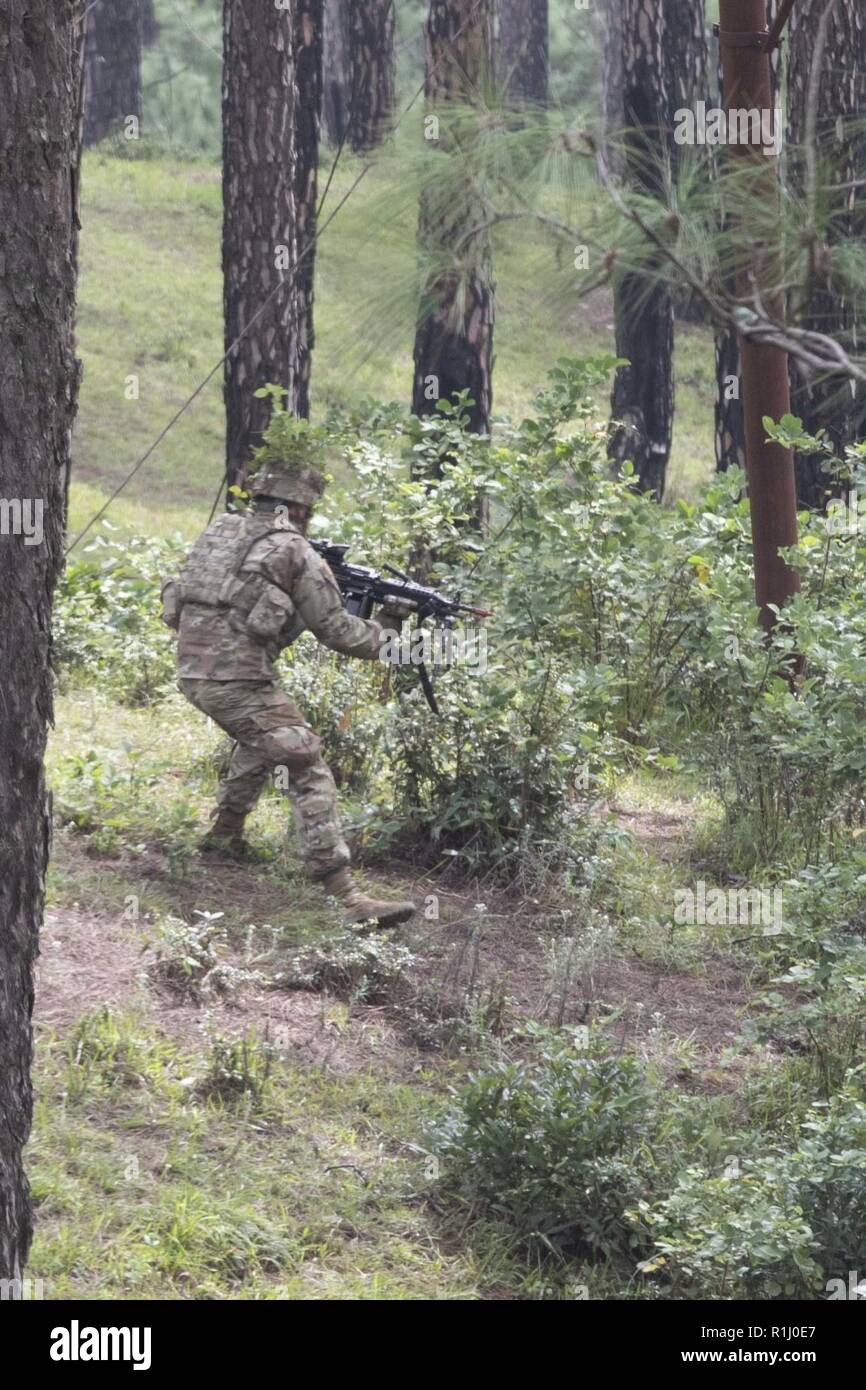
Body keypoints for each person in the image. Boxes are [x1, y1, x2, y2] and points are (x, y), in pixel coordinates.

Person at [160, 453, 416, 927]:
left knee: (264, 739)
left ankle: (224, 837)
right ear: (302, 507)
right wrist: (389, 629)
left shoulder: (221, 531)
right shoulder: (296, 551)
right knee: (306, 761)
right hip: (238, 680)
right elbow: (339, 633)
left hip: (194, 672)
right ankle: (348, 898)